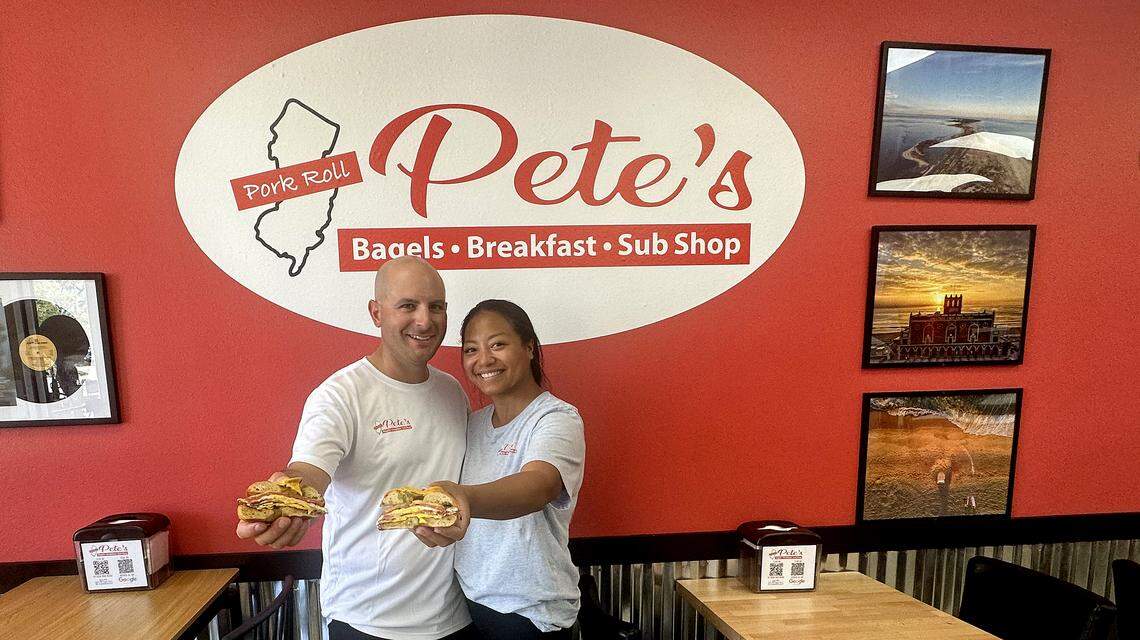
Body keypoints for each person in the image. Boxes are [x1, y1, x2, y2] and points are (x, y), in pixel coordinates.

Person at [236, 256, 476, 640]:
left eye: (436, 306)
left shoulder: (452, 391)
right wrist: (285, 502)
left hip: (454, 616)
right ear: (376, 313)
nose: (425, 320)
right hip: (367, 620)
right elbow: (309, 471)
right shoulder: (340, 395)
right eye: (408, 306)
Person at [414, 299, 585, 639]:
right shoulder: (472, 425)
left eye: (498, 345)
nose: (484, 360)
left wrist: (463, 496)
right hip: (469, 608)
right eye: (471, 350)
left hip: (530, 616)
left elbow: (538, 486)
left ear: (529, 348)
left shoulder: (556, 419)